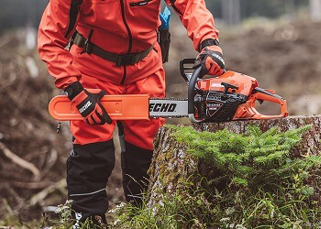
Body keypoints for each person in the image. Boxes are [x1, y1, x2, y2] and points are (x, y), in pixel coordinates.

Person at [37, 0, 225, 226]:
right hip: (92, 69)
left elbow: (190, 4)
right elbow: (49, 39)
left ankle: (144, 215)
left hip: (145, 67)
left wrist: (208, 42)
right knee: (92, 148)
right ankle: (87, 218)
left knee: (146, 148)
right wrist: (75, 90)